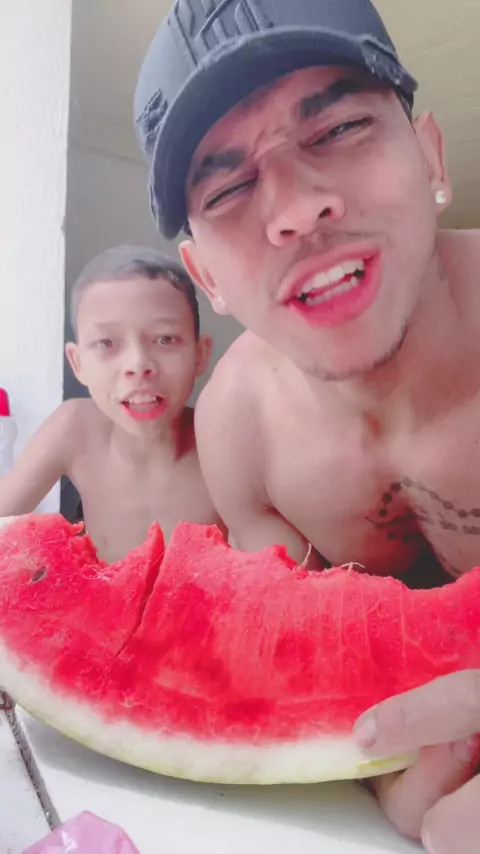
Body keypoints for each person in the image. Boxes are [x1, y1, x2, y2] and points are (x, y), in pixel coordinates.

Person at [134, 0, 480, 846]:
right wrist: (385, 780)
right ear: (206, 277)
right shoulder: (238, 433)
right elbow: (314, 689)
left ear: (430, 156)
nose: (295, 208)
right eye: (228, 188)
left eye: (338, 130)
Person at [0, 245, 222, 562]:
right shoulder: (74, 428)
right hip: (99, 594)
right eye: (106, 343)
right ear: (78, 363)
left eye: (165, 339)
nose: (138, 364)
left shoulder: (222, 445)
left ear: (200, 355)